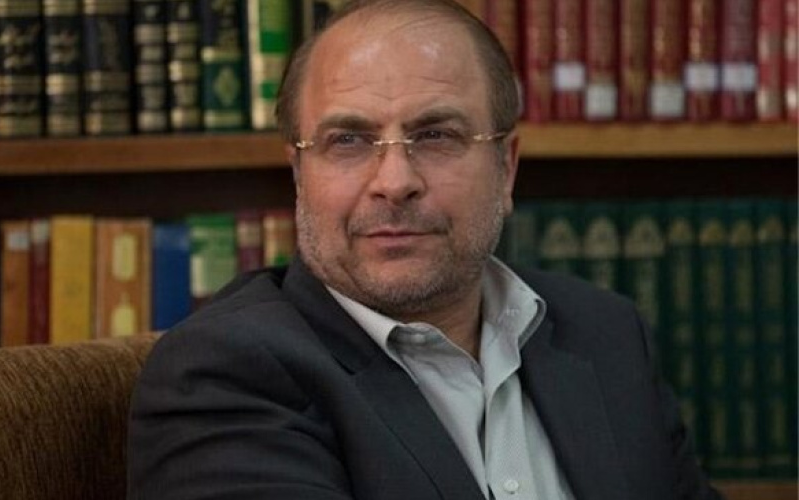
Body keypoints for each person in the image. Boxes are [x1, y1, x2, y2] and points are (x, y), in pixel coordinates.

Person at [127, 1, 723, 499]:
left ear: (506, 169)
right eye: (348, 140)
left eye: (436, 135)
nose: (394, 181)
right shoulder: (223, 375)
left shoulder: (605, 333)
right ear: (299, 174)